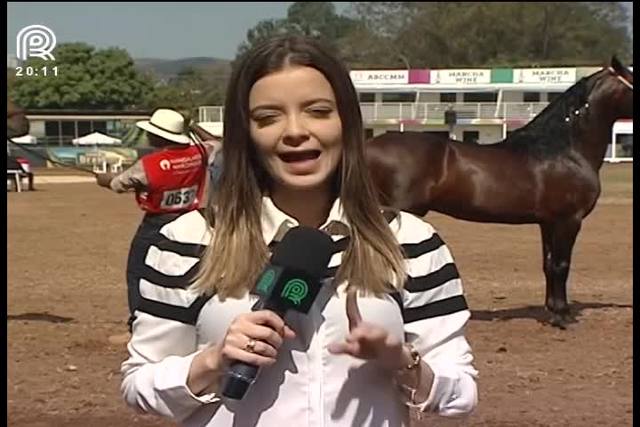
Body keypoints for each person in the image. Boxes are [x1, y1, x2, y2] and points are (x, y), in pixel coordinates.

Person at [120, 36, 478, 426]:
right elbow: (141, 386)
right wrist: (213, 361)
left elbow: (460, 392)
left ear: (346, 122)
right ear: (246, 135)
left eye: (318, 111)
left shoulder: (411, 241)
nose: (295, 130)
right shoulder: (187, 240)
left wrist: (403, 362)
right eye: (268, 117)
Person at [96, 108, 213, 330]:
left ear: (158, 136)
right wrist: (193, 126)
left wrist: (103, 179)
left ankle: (139, 318)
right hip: (190, 219)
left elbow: (117, 184)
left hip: (157, 223)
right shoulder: (200, 152)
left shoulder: (150, 163)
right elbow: (219, 143)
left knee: (137, 271)